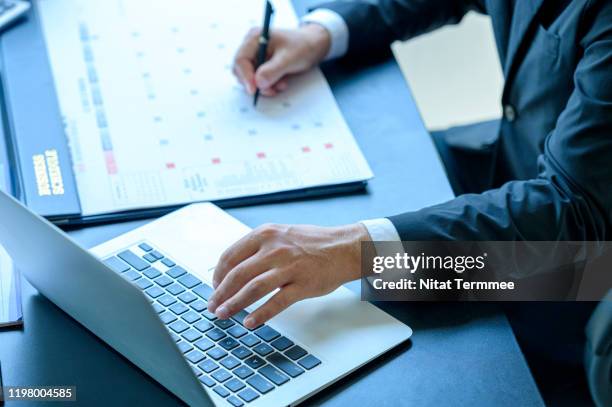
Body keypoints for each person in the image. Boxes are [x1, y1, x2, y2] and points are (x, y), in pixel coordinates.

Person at [207, 2, 611, 400]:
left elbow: (577, 211)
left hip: (581, 269)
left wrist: (357, 252)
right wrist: (323, 32)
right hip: (518, 162)